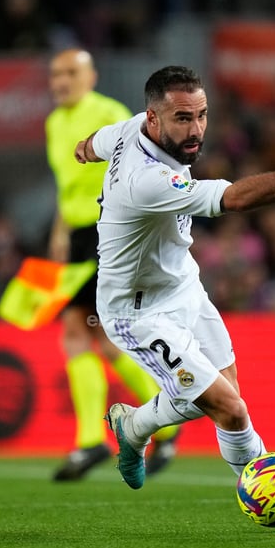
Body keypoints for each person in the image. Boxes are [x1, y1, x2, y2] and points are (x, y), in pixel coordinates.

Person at [74, 65, 275, 532]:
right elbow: (235, 198)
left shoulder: (129, 129)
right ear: (154, 119)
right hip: (137, 310)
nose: (196, 130)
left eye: (202, 115)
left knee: (223, 399)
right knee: (230, 407)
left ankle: (133, 428)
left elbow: (87, 145)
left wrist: (86, 150)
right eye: (183, 119)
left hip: (184, 287)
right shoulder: (147, 179)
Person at [46, 48, 180, 481]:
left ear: (91, 76)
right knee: (97, 337)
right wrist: (59, 233)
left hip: (110, 232)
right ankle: (166, 416)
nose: (61, 81)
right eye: (55, 74)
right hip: (81, 237)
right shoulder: (54, 123)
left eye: (70, 73)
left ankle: (91, 440)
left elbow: (141, 170)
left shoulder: (110, 112)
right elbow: (67, 189)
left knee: (79, 332)